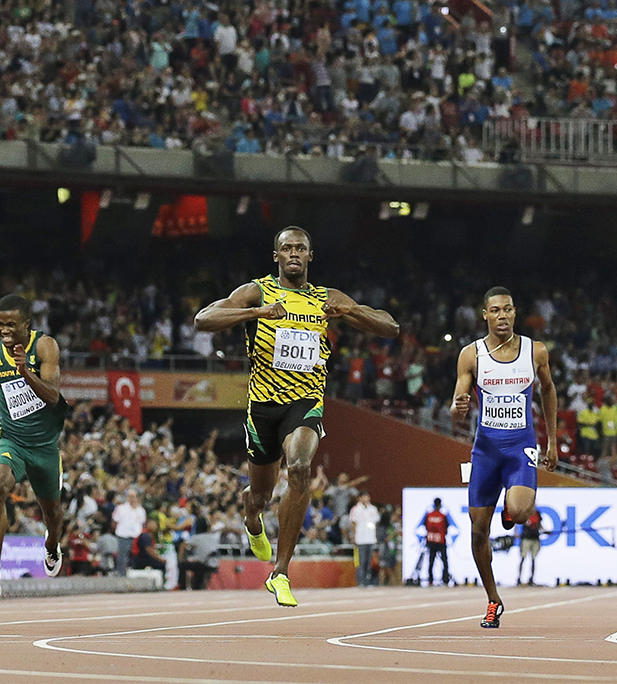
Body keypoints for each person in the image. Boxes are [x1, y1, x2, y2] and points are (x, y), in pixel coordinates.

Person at [193, 226, 399, 606]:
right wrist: (256, 312)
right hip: (263, 409)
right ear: (276, 256)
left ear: (309, 256)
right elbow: (203, 319)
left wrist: (350, 310)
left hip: (304, 404)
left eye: (300, 248)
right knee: (260, 494)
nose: (293, 253)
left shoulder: (325, 298)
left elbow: (390, 326)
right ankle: (252, 518)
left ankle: (281, 571)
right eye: (286, 248)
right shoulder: (257, 290)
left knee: (301, 467)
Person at [448, 286, 559, 628]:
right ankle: (493, 599)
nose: (502, 316)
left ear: (514, 313)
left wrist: (552, 441)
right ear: (485, 315)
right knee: (478, 533)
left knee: (522, 511)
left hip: (520, 447)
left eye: (507, 310)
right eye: (495, 310)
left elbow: (548, 390)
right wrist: (459, 408)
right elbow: (456, 411)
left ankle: (511, 509)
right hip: (486, 451)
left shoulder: (535, 351)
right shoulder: (472, 355)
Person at [0, 295, 69, 600]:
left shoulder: (44, 347)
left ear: (26, 324)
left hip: (45, 447)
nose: (5, 330)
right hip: (12, 439)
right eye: (0, 323)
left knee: (52, 514)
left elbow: (52, 396)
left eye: (12, 324)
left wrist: (26, 372)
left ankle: (52, 545)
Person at [348, 493, 381, 587]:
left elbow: (376, 522)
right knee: (361, 561)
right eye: (364, 497)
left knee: (368, 561)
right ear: (360, 498)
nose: (367, 498)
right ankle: (361, 581)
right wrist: (354, 536)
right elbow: (353, 523)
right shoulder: (355, 509)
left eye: (368, 497)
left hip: (370, 538)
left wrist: (376, 536)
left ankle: (368, 580)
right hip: (360, 538)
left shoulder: (373, 509)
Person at [418, 497, 453, 586]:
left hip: (431, 541)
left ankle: (430, 580)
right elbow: (447, 526)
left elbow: (425, 526)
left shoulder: (429, 515)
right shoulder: (443, 516)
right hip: (441, 541)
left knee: (431, 561)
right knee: (445, 561)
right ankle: (445, 579)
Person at [111, 490, 147, 577]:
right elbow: (114, 522)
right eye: (130, 496)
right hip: (123, 536)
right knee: (122, 558)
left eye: (134, 496)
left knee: (135, 558)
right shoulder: (121, 508)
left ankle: (134, 575)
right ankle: (121, 575)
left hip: (136, 537)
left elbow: (143, 523)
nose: (132, 499)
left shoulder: (141, 510)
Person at [516, 511, 543, 586]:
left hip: (535, 538)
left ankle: (532, 578)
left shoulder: (537, 513)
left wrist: (544, 530)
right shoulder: (525, 513)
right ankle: (519, 578)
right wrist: (516, 532)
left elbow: (539, 525)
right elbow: (517, 522)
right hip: (526, 538)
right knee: (523, 557)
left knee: (533, 559)